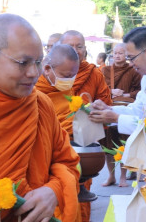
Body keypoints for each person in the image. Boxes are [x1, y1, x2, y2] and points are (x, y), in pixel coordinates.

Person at [0, 13, 80, 221]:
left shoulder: (40, 105)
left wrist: (54, 191)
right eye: (23, 62)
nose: (34, 72)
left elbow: (69, 164)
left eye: (38, 62)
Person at [59, 30, 111, 222]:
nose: (75, 50)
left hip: (84, 145)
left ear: (85, 49)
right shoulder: (49, 74)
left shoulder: (93, 73)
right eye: (70, 46)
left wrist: (96, 108)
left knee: (82, 195)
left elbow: (105, 101)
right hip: (56, 145)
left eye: (79, 46)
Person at [100, 43, 142, 187]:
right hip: (109, 108)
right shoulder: (105, 70)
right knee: (108, 145)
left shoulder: (134, 71)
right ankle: (111, 176)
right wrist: (111, 92)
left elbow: (140, 92)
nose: (117, 55)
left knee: (124, 144)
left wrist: (125, 94)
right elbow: (100, 89)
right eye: (115, 53)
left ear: (126, 55)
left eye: (121, 53)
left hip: (127, 109)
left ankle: (123, 177)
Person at [35, 44, 79, 139]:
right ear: (47, 69)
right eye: (66, 76)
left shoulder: (66, 89)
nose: (69, 80)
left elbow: (70, 116)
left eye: (73, 76)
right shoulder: (33, 89)